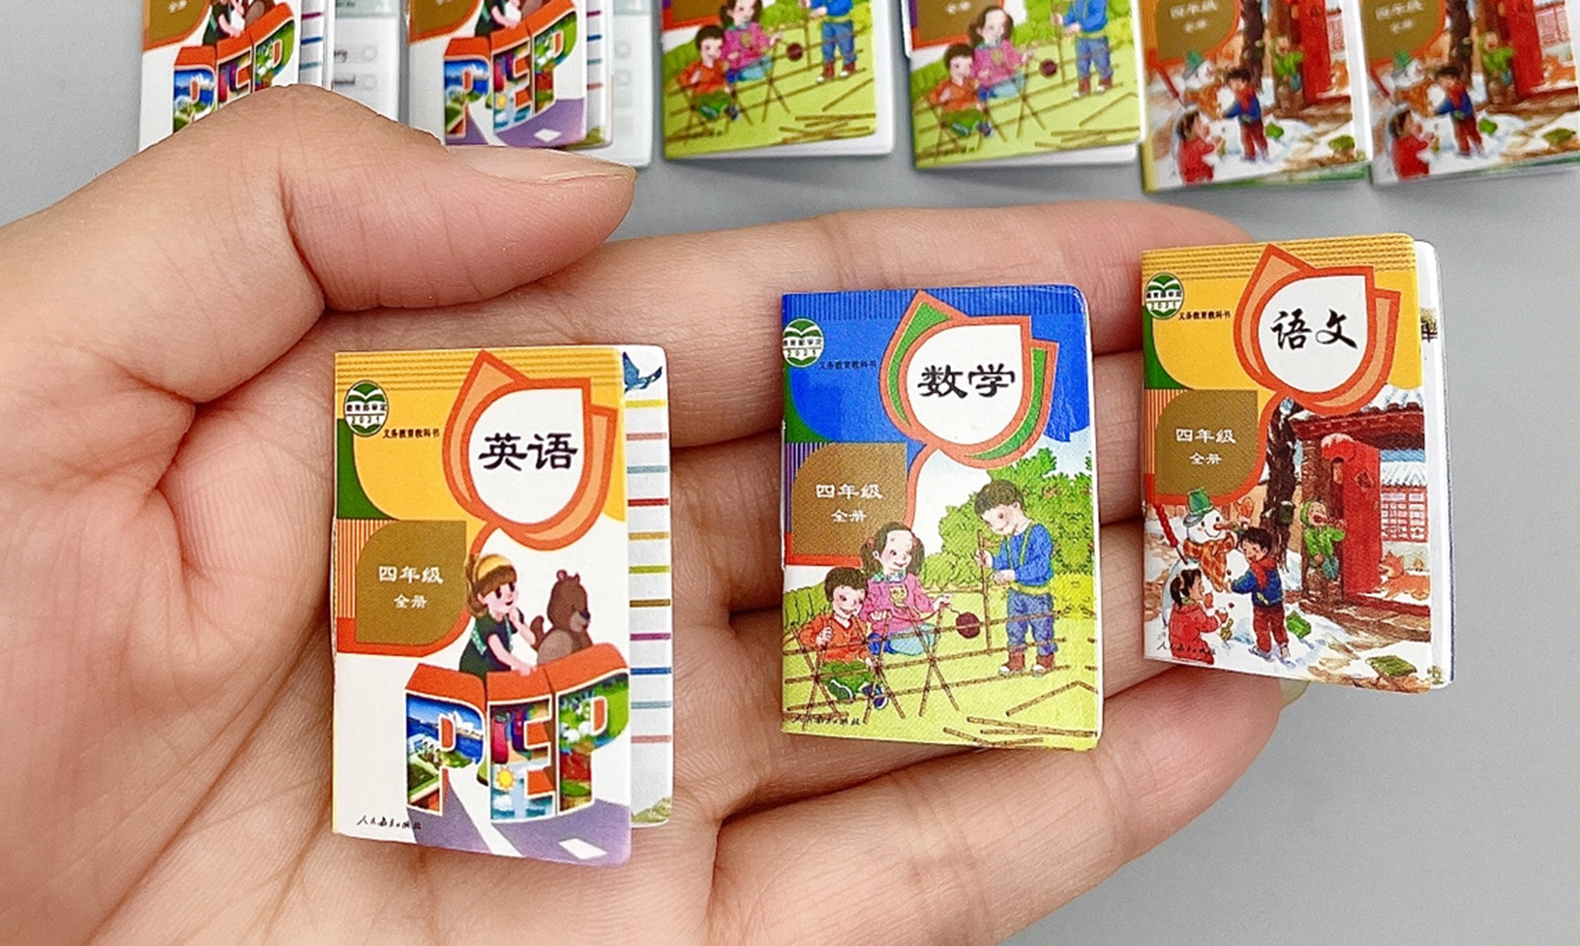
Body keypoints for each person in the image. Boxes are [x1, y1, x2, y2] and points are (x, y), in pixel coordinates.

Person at [0, 86, 1285, 942]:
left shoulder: (955, 545)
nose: (504, 591)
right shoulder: (485, 616)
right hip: (480, 740)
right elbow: (488, 646)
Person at [973, 480, 1057, 675]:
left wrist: (1014, 574)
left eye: (1000, 516)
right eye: (989, 523)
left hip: (1037, 595)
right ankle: (1016, 661)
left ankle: (1045, 660)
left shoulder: (1038, 532)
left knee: (1042, 628)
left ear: (1015, 506)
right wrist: (991, 561)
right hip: (1016, 595)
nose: (997, 526)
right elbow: (1004, 560)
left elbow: (1041, 566)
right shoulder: (1008, 539)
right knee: (1014, 628)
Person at [794, 566, 885, 706]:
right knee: (837, 672)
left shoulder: (859, 624)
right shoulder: (823, 621)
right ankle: (839, 688)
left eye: (859, 601)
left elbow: (861, 646)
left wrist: (867, 658)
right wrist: (817, 639)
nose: (852, 605)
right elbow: (803, 635)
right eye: (844, 598)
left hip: (851, 663)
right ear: (831, 597)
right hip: (830, 663)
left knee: (866, 672)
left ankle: (869, 689)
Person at [861, 524, 948, 655]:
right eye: (894, 553)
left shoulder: (910, 580)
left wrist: (936, 603)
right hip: (888, 630)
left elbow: (920, 600)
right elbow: (863, 607)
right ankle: (883, 644)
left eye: (907, 553)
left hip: (912, 625)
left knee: (933, 632)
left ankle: (895, 643)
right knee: (918, 643)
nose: (902, 558)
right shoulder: (873, 584)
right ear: (877, 555)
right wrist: (872, 615)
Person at [459, 552, 535, 678]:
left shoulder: (511, 613)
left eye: (511, 587)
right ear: (482, 598)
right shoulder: (485, 622)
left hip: (499, 667)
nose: (509, 595)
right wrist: (520, 665)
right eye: (498, 592)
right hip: (477, 671)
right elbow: (500, 653)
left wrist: (518, 624)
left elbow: (532, 639)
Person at [1048, 0, 1113, 94]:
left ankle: (1105, 80)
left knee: (1101, 60)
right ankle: (1084, 86)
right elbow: (1071, 16)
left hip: (1097, 37)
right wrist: (1061, 19)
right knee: (1081, 62)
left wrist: (1080, 25)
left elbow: (1098, 16)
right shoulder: (1075, 2)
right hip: (1082, 39)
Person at [1232, 526, 1292, 664]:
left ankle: (1264, 649)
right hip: (1277, 603)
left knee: (1261, 627)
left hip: (1261, 606)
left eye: (1254, 550)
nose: (1249, 554)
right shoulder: (1271, 564)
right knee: (1278, 625)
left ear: (1264, 551)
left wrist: (1233, 585)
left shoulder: (1255, 570)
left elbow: (1244, 585)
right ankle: (1283, 645)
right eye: (1245, 550)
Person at [969, 5, 1031, 103]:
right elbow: (973, 68)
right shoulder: (979, 51)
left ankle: (995, 92)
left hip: (1008, 76)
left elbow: (1013, 57)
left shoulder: (1005, 44)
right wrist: (980, 73)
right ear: (980, 31)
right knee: (1001, 88)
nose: (997, 31)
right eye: (991, 27)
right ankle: (989, 92)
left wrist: (1023, 58)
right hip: (992, 82)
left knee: (1022, 80)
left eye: (1001, 26)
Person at [927, 43, 990, 138]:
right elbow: (931, 98)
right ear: (954, 66)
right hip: (952, 111)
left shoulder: (970, 82)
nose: (969, 69)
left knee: (977, 114)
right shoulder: (946, 85)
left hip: (968, 109)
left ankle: (976, 126)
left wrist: (976, 102)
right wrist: (942, 98)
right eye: (966, 66)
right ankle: (960, 127)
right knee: (951, 118)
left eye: (970, 65)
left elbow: (975, 94)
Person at [678, 24, 738, 121]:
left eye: (720, 47)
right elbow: (682, 79)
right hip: (702, 94)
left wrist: (725, 86)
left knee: (724, 97)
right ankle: (707, 110)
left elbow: (721, 78)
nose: (719, 51)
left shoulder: (718, 64)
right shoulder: (696, 66)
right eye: (717, 48)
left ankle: (726, 109)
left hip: (717, 91)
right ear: (705, 48)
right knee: (701, 101)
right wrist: (692, 80)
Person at [1167, 568, 1222, 666]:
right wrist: (1219, 618)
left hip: (1177, 651)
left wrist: (1206, 606)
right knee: (1209, 658)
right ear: (1189, 589)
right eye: (1199, 585)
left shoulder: (1179, 607)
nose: (1202, 589)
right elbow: (1207, 625)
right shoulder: (1193, 611)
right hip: (1193, 653)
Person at [1432, 63, 1483, 156]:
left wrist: (1438, 111)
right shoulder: (1459, 88)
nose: (1441, 85)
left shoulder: (1454, 91)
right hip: (1467, 114)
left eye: (1441, 82)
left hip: (1460, 116)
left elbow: (1449, 104)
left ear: (1450, 79)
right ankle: (1477, 144)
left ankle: (1466, 150)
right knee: (1471, 132)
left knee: (1461, 134)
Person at [1222, 66, 1269, 162]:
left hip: (1249, 122)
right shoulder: (1247, 93)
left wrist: (1226, 114)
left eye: (1231, 84)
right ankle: (1258, 151)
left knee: (1250, 138)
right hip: (1251, 121)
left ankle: (1255, 153)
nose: (1230, 87)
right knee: (1253, 138)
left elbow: (1236, 109)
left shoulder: (1244, 96)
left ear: (1241, 82)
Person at [1388, 104, 1431, 179]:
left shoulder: (1397, 141)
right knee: (1426, 165)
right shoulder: (1408, 140)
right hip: (1412, 170)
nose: (1413, 123)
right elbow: (1422, 145)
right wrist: (1429, 140)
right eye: (1410, 122)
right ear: (1401, 129)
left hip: (1402, 171)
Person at [1175, 108, 1217, 184]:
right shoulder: (1197, 143)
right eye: (1198, 122)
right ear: (1189, 130)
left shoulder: (1183, 144)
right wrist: (1214, 142)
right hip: (1201, 177)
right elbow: (1210, 148)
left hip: (1188, 178)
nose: (1201, 124)